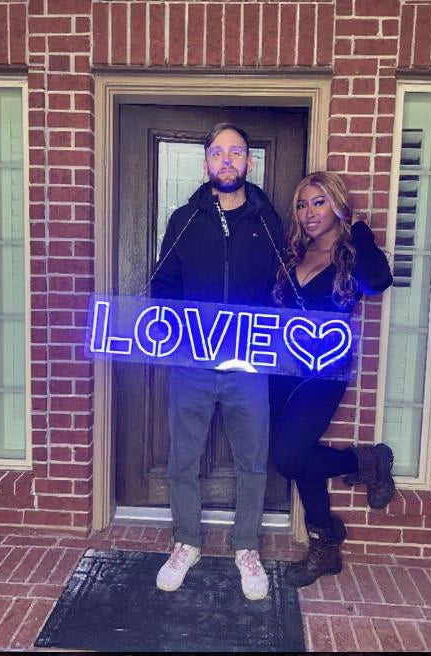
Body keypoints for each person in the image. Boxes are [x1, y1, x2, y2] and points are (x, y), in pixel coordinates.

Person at [148, 123, 289, 601]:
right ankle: (186, 540)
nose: (227, 160)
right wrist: (174, 328)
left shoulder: (268, 222)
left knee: (252, 459)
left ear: (250, 161)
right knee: (183, 457)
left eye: (236, 152)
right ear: (206, 161)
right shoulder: (185, 219)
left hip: (249, 364)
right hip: (192, 362)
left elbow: (282, 288)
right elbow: (163, 284)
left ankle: (246, 546)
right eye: (218, 152)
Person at [269, 171, 396, 587]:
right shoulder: (293, 253)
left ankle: (364, 462)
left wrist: (358, 228)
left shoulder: (353, 255)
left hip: (325, 372)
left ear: (338, 205)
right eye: (302, 205)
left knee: (289, 458)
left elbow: (378, 282)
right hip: (281, 369)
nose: (308, 213)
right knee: (300, 455)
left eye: (319, 202)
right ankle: (326, 545)